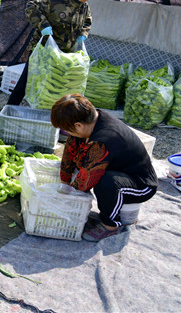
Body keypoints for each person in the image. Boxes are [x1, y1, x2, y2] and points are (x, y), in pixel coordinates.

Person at [50, 93, 157, 241]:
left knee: (104, 182)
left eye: (68, 130)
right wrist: (64, 182)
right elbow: (70, 149)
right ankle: (111, 207)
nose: (68, 134)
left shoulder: (105, 139)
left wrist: (68, 196)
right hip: (118, 170)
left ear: (79, 126)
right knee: (77, 142)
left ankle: (110, 226)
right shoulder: (91, 118)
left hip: (141, 184)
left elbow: (84, 183)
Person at [7, 0, 99, 106]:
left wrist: (83, 33)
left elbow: (87, 21)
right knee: (25, 82)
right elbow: (31, 8)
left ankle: (52, 119)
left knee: (57, 89)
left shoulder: (84, 7)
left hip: (65, 56)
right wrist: (43, 24)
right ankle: (7, 113)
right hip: (43, 51)